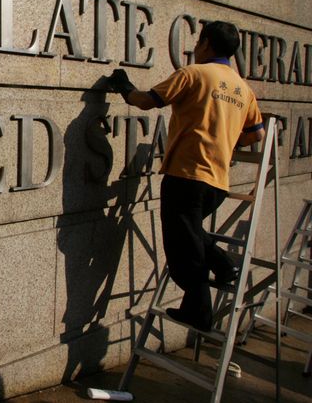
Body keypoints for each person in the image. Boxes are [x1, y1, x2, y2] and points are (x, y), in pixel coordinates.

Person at [107, 20, 264, 332]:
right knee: (189, 233)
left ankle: (199, 310)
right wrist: (226, 139)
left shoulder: (194, 75)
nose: (195, 47)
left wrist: (124, 86)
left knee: (182, 246)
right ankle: (223, 265)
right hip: (217, 183)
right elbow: (255, 134)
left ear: (205, 43)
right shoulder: (243, 90)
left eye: (198, 41)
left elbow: (144, 101)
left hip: (186, 176)